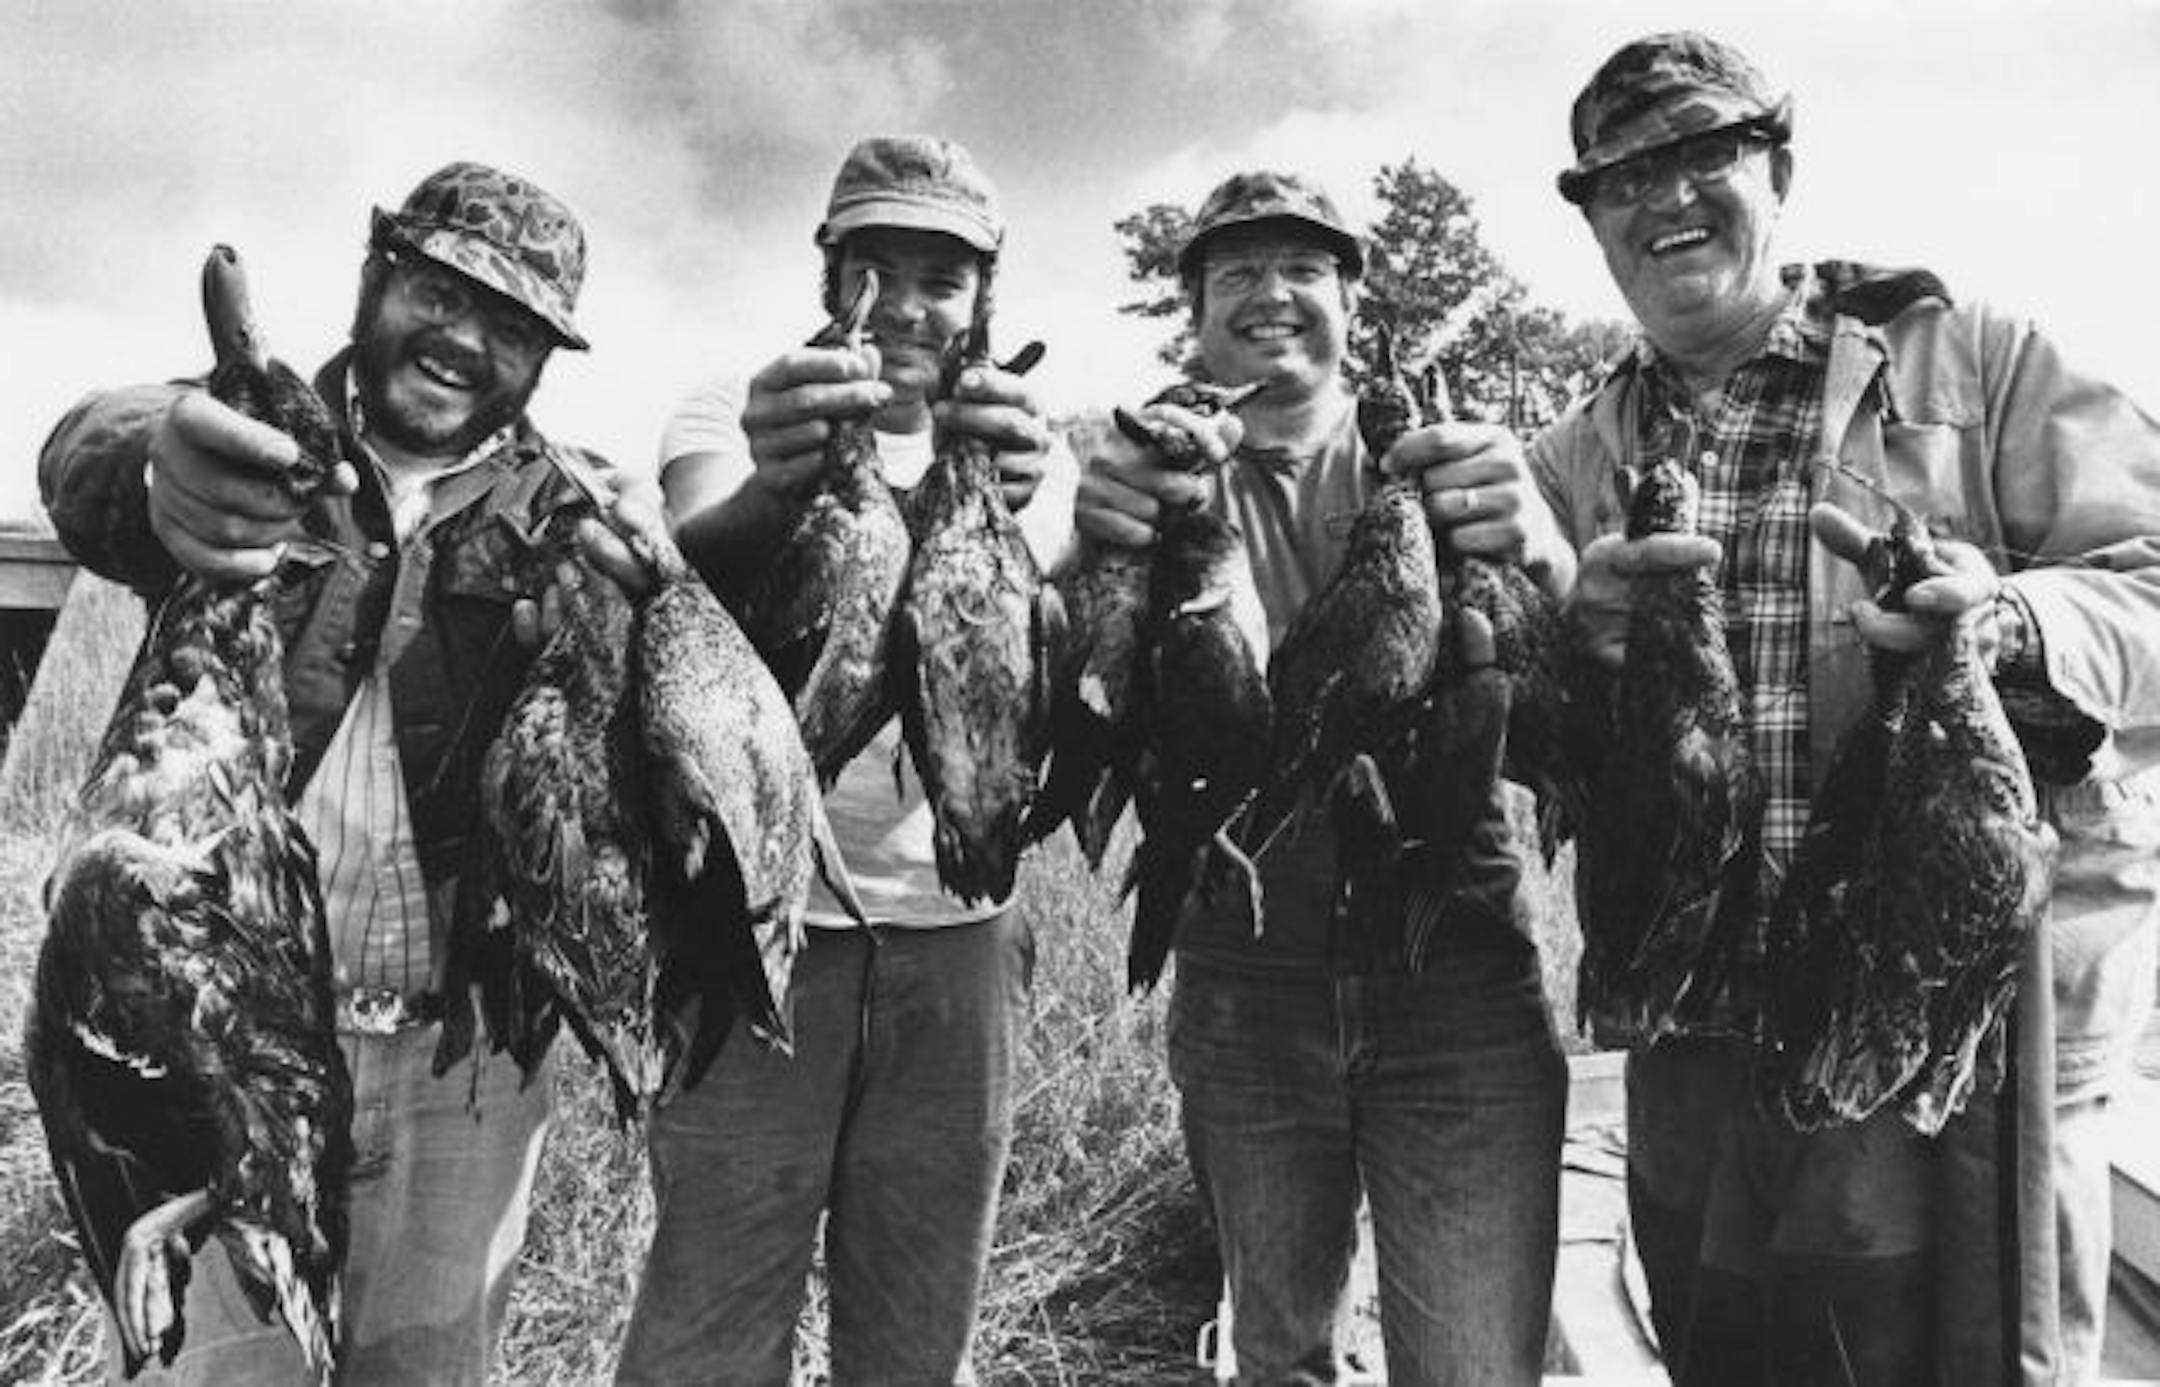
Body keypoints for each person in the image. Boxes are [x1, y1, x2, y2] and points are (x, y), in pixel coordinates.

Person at [1534, 32, 2160, 1386]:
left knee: (1948, 1348)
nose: (1666, 197)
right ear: (1591, 217)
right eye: (1622, 176)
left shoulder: (1969, 358)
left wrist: (2008, 619)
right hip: (1694, 1024)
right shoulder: (1574, 453)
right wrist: (1570, 647)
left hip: (1935, 1010)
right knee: (1729, 1347)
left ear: (1782, 169)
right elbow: (1532, 744)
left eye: (1706, 153)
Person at [38, 160, 658, 1385]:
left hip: (462, 1069)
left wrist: (644, 609)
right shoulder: (253, 433)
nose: (464, 339)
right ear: (378, 276)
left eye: (513, 325)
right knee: (219, 1372)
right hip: (221, 1048)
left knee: (426, 1369)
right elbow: (92, 451)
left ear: (544, 359)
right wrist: (159, 464)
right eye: (440, 290)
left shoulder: (569, 515)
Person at [1073, 169, 1573, 1386]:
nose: (1271, 295)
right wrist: (1092, 549)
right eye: (1236, 272)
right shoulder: (1146, 472)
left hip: (1450, 959)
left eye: (1304, 267)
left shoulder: (1455, 462)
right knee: (1279, 1350)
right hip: (1246, 965)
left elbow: (1567, 694)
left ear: (1351, 294)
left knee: (1470, 1363)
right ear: (1190, 307)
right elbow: (1072, 696)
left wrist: (1542, 552)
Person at [614, 134, 1078, 1385]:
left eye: (946, 276)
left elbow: (1067, 682)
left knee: (918, 1332)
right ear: (831, 274)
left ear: (986, 294)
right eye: (879, 265)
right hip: (764, 937)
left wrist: (1039, 520)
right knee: (708, 1323)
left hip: (956, 947)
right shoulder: (741, 412)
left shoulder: (1038, 449)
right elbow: (688, 568)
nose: (911, 306)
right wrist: (781, 486)